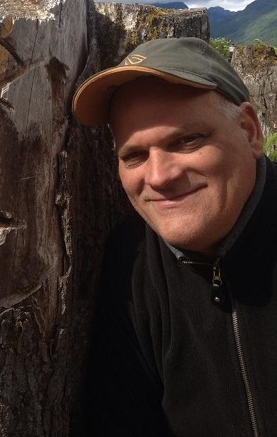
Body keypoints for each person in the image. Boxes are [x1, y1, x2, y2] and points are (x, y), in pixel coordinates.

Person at [72, 37, 277, 436]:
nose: (160, 176)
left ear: (250, 131)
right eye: (134, 155)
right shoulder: (131, 264)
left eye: (186, 140)